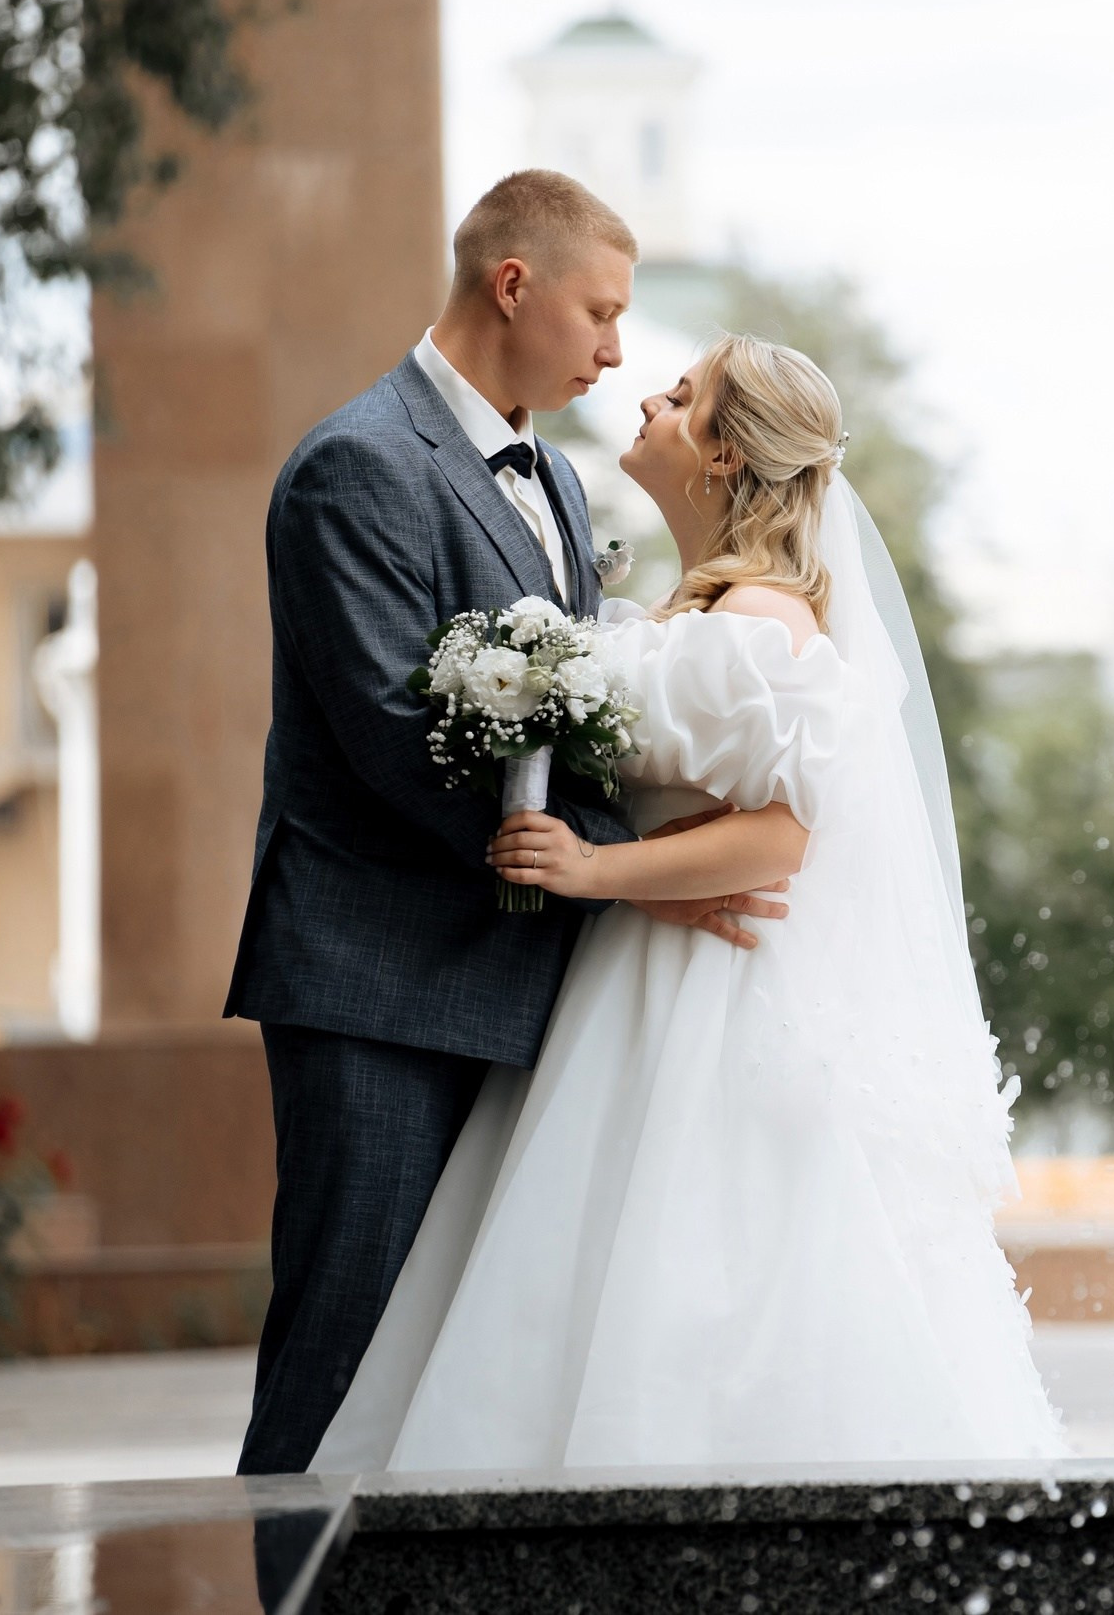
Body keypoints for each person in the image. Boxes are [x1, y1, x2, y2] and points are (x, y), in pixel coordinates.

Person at [309, 333, 1062, 1470]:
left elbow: (778, 838)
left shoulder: (765, 621)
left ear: (720, 455)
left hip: (713, 996)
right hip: (635, 978)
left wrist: (593, 869)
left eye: (682, 395)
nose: (648, 398)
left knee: (693, 1278)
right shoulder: (696, 612)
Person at [224, 171, 792, 1476]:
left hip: (515, 979)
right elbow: (398, 740)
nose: (615, 348)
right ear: (512, 284)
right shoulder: (357, 465)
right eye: (599, 311)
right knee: (344, 1357)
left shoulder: (560, 483)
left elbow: (564, 714)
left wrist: (622, 867)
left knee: (462, 1379)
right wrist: (624, 877)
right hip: (381, 985)